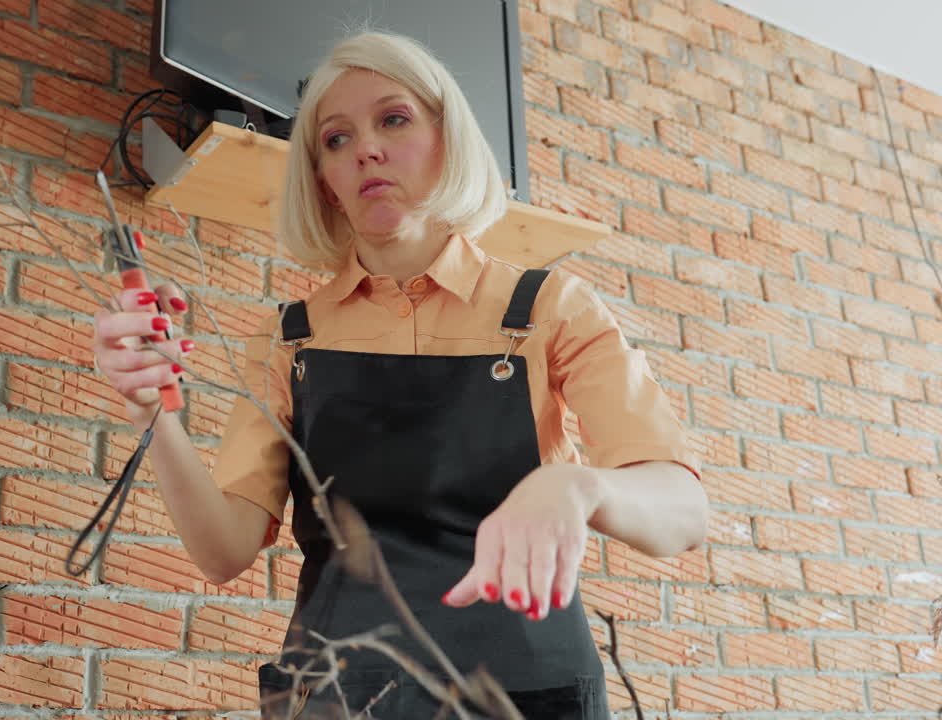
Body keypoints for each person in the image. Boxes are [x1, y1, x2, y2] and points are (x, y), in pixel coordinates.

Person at [93, 31, 708, 720]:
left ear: (449, 140)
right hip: (339, 699)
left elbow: (683, 515)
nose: (366, 150)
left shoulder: (547, 310)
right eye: (335, 139)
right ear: (323, 180)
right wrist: (153, 411)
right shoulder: (290, 337)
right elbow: (222, 552)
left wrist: (581, 485)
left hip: (533, 699)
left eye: (393, 119)